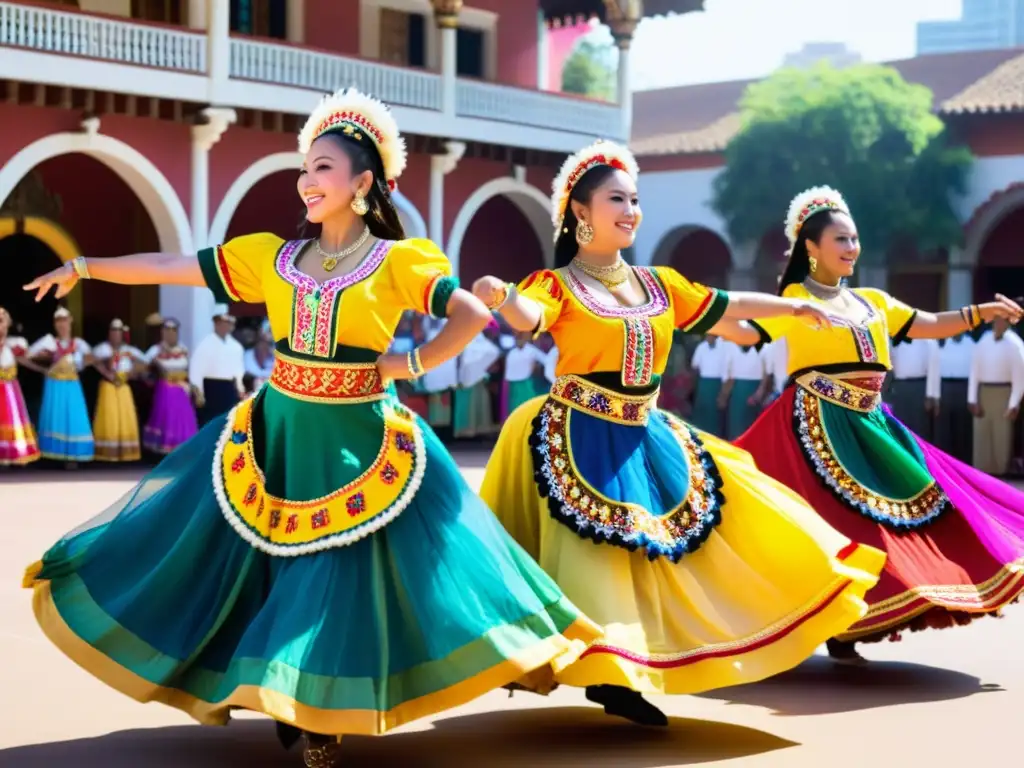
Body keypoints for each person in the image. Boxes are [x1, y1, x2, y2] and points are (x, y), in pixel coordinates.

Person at [21, 87, 598, 767]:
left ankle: (314, 708)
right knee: (252, 561)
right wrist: (85, 266)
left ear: (361, 184)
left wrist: (405, 362)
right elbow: (177, 265)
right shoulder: (273, 257)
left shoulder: (398, 261)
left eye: (322, 167)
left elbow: (470, 313)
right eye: (305, 168)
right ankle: (284, 695)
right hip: (279, 430)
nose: (306, 180)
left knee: (333, 571)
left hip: (357, 437)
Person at [473, 142, 883, 726]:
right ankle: (608, 674)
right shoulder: (556, 283)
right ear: (580, 213)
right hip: (579, 433)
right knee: (601, 555)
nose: (631, 209)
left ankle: (628, 666)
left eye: (635, 199)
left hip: (644, 432)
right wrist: (504, 296)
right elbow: (529, 318)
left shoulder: (660, 284)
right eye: (617, 199)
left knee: (699, 533)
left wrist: (794, 311)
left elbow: (729, 303)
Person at [722, 186, 1024, 664]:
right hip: (813, 429)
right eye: (840, 239)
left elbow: (927, 323)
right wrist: (696, 311)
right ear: (811, 248)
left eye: (854, 239)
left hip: (872, 423)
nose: (851, 249)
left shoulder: (872, 301)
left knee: (929, 507)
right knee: (834, 527)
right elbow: (744, 332)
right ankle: (834, 621)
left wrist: (980, 312)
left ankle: (858, 619)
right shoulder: (795, 301)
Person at [27, 306, 94, 466]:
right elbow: (28, 354)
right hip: (54, 384)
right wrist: (44, 366)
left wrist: (80, 365)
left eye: (64, 320)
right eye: (58, 321)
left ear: (70, 321)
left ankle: (73, 456)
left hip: (72, 384)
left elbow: (92, 357)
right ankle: (53, 455)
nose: (62, 324)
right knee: (55, 416)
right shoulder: (49, 341)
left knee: (73, 416)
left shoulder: (77, 343)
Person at [968, 317, 1024, 475]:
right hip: (984, 391)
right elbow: (975, 370)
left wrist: (1014, 403)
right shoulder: (984, 340)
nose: (998, 324)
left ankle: (1000, 475)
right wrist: (972, 398)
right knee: (981, 437)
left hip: (1003, 393)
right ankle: (981, 476)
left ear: (1008, 322)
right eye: (996, 320)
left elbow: (1020, 377)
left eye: (1002, 320)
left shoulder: (1015, 344)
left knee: (1001, 438)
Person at [91, 318, 145, 462]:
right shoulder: (103, 348)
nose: (116, 334)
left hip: (123, 384)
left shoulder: (129, 350)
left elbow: (144, 363)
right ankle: (107, 454)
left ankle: (126, 454)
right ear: (109, 333)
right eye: (113, 331)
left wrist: (131, 373)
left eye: (118, 331)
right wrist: (106, 372)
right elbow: (91, 359)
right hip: (108, 385)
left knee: (125, 417)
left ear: (122, 333)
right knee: (109, 418)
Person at [142, 317, 198, 455]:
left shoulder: (183, 349)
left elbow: (191, 368)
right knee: (167, 418)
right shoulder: (155, 350)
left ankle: (183, 452)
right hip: (165, 388)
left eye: (174, 330)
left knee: (184, 419)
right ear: (162, 332)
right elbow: (142, 366)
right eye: (167, 330)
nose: (170, 333)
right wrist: (149, 377)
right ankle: (165, 453)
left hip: (182, 389)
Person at [189, 307, 245, 425]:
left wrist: (240, 388)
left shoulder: (236, 346)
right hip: (210, 388)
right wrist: (199, 391)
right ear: (216, 324)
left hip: (228, 388)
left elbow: (238, 370)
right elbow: (196, 369)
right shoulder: (204, 345)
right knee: (209, 422)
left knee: (228, 423)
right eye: (222, 323)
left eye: (228, 323)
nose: (225, 326)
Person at [0, 307, 40, 466]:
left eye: (2, 320)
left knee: (12, 419)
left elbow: (27, 358)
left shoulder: (14, 344)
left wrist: (44, 369)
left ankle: (10, 455)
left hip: (9, 389)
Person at [889, 337, 941, 442]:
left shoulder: (927, 340)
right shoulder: (894, 339)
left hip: (920, 387)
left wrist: (930, 395)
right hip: (900, 387)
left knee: (920, 428)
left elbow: (933, 368)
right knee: (901, 426)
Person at [936, 332, 975, 463]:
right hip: (945, 386)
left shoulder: (971, 343)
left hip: (964, 386)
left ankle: (964, 461)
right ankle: (947, 462)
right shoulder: (942, 342)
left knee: (963, 427)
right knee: (945, 428)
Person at [718, 340, 765, 439]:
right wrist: (724, 395)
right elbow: (730, 375)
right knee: (736, 425)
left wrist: (759, 392)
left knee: (751, 425)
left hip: (753, 390)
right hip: (737, 391)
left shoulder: (763, 348)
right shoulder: (732, 347)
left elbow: (766, 373)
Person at [501, 331, 548, 420]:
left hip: (527, 383)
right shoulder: (512, 353)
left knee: (528, 408)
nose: (518, 338)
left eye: (520, 336)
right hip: (513, 385)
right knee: (514, 409)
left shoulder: (532, 350)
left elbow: (546, 360)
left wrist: (536, 367)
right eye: (517, 336)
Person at [689, 335, 726, 435]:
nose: (708, 336)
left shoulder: (723, 347)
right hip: (703, 384)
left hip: (716, 385)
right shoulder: (701, 347)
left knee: (714, 415)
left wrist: (723, 393)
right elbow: (695, 366)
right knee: (701, 413)